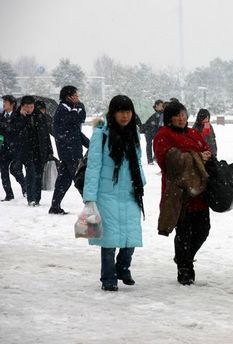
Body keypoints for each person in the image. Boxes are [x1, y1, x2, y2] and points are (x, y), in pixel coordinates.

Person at [83, 95, 146, 292]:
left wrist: (140, 183)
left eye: (128, 111)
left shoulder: (133, 133)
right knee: (108, 240)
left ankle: (123, 267)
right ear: (113, 113)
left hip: (128, 193)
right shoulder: (101, 135)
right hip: (106, 194)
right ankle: (108, 277)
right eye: (121, 112)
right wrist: (90, 198)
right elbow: (93, 167)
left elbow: (137, 160)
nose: (125, 116)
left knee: (131, 237)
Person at [153, 101, 212, 285]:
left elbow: (206, 151)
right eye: (177, 115)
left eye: (184, 115)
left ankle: (184, 258)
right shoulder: (163, 135)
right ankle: (185, 269)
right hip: (179, 194)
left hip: (199, 192)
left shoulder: (193, 133)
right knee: (184, 232)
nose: (181, 118)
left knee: (203, 230)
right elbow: (170, 162)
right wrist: (196, 157)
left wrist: (203, 156)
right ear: (169, 118)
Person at [49, 86, 89, 214]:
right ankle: (91, 207)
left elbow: (76, 131)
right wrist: (79, 107)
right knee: (80, 179)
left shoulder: (71, 109)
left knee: (63, 180)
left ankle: (55, 206)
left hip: (71, 151)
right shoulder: (63, 110)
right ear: (68, 97)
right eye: (75, 95)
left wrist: (90, 144)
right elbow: (78, 118)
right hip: (70, 152)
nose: (78, 98)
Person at [11, 95, 53, 206]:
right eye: (27, 107)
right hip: (26, 151)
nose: (29, 109)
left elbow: (46, 135)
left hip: (40, 150)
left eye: (31, 106)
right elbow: (15, 132)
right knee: (30, 174)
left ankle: (37, 198)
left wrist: (49, 150)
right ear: (22, 107)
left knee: (38, 176)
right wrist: (23, 118)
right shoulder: (16, 117)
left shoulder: (40, 116)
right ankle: (31, 198)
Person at [0, 95, 26, 201]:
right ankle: (9, 195)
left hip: (16, 148)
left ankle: (25, 189)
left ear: (12, 104)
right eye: (3, 102)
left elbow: (15, 129)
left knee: (15, 170)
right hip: (3, 148)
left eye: (6, 102)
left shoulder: (18, 116)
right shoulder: (1, 116)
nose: (4, 104)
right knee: (3, 172)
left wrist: (3, 125)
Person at [142, 99, 163, 164]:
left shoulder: (162, 113)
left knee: (157, 144)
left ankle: (155, 157)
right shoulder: (151, 112)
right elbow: (148, 121)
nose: (162, 107)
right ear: (156, 105)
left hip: (155, 131)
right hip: (148, 130)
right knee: (149, 145)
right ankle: (150, 160)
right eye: (161, 105)